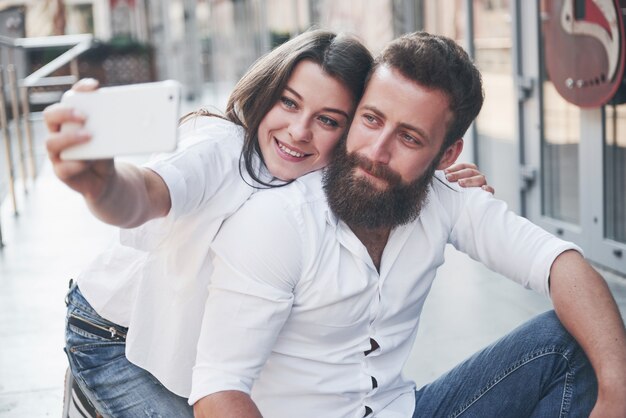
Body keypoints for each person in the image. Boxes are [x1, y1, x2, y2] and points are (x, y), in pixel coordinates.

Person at [44, 30, 490, 416]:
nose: (298, 131)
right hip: (113, 336)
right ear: (265, 91)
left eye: (328, 120)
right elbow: (145, 194)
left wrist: (437, 180)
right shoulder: (219, 148)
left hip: (195, 349)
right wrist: (98, 186)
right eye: (288, 103)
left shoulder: (329, 175)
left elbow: (390, 170)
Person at [191, 31, 626, 418]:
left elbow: (560, 263)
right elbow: (217, 389)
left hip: (404, 409)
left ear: (446, 155)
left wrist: (618, 396)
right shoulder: (279, 222)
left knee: (572, 342)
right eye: (371, 119)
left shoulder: (446, 198)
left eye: (409, 137)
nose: (376, 152)